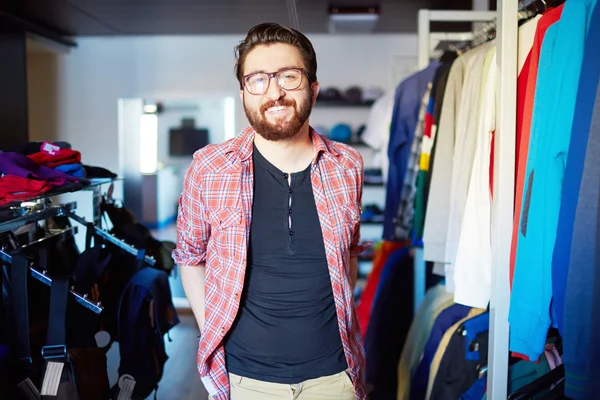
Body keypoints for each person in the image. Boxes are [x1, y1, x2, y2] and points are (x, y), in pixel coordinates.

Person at [172, 22, 368, 400]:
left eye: (289, 77)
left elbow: (350, 253)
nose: (275, 92)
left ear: (313, 89)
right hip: (244, 379)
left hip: (335, 376)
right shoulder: (209, 167)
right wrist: (211, 327)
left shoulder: (348, 165)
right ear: (244, 93)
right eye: (258, 79)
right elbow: (190, 257)